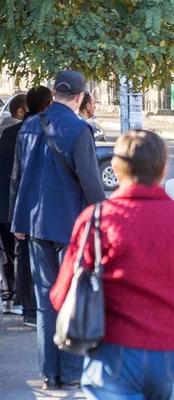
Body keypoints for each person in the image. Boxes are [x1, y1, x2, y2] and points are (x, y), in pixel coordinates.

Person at [50, 130, 174, 399]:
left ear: (115, 169)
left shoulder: (95, 220)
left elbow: (60, 296)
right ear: (164, 168)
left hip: (111, 350)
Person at [10, 71, 105, 390]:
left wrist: (17, 220)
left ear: (53, 92)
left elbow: (18, 177)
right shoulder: (80, 129)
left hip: (35, 225)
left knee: (45, 299)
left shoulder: (29, 125)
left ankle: (50, 374)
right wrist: (103, 219)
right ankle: (72, 372)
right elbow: (91, 182)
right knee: (72, 297)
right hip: (70, 227)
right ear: (80, 97)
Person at [1, 86, 52, 326]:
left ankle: (23, 306)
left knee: (17, 257)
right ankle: (35, 308)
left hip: (10, 206)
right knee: (37, 257)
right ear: (48, 106)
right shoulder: (47, 131)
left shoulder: (10, 132)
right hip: (37, 208)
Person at [0, 93, 27, 313]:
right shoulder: (19, 133)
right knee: (18, 250)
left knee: (4, 251)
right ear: (20, 112)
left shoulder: (5, 131)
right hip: (13, 203)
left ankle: (7, 296)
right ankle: (18, 298)